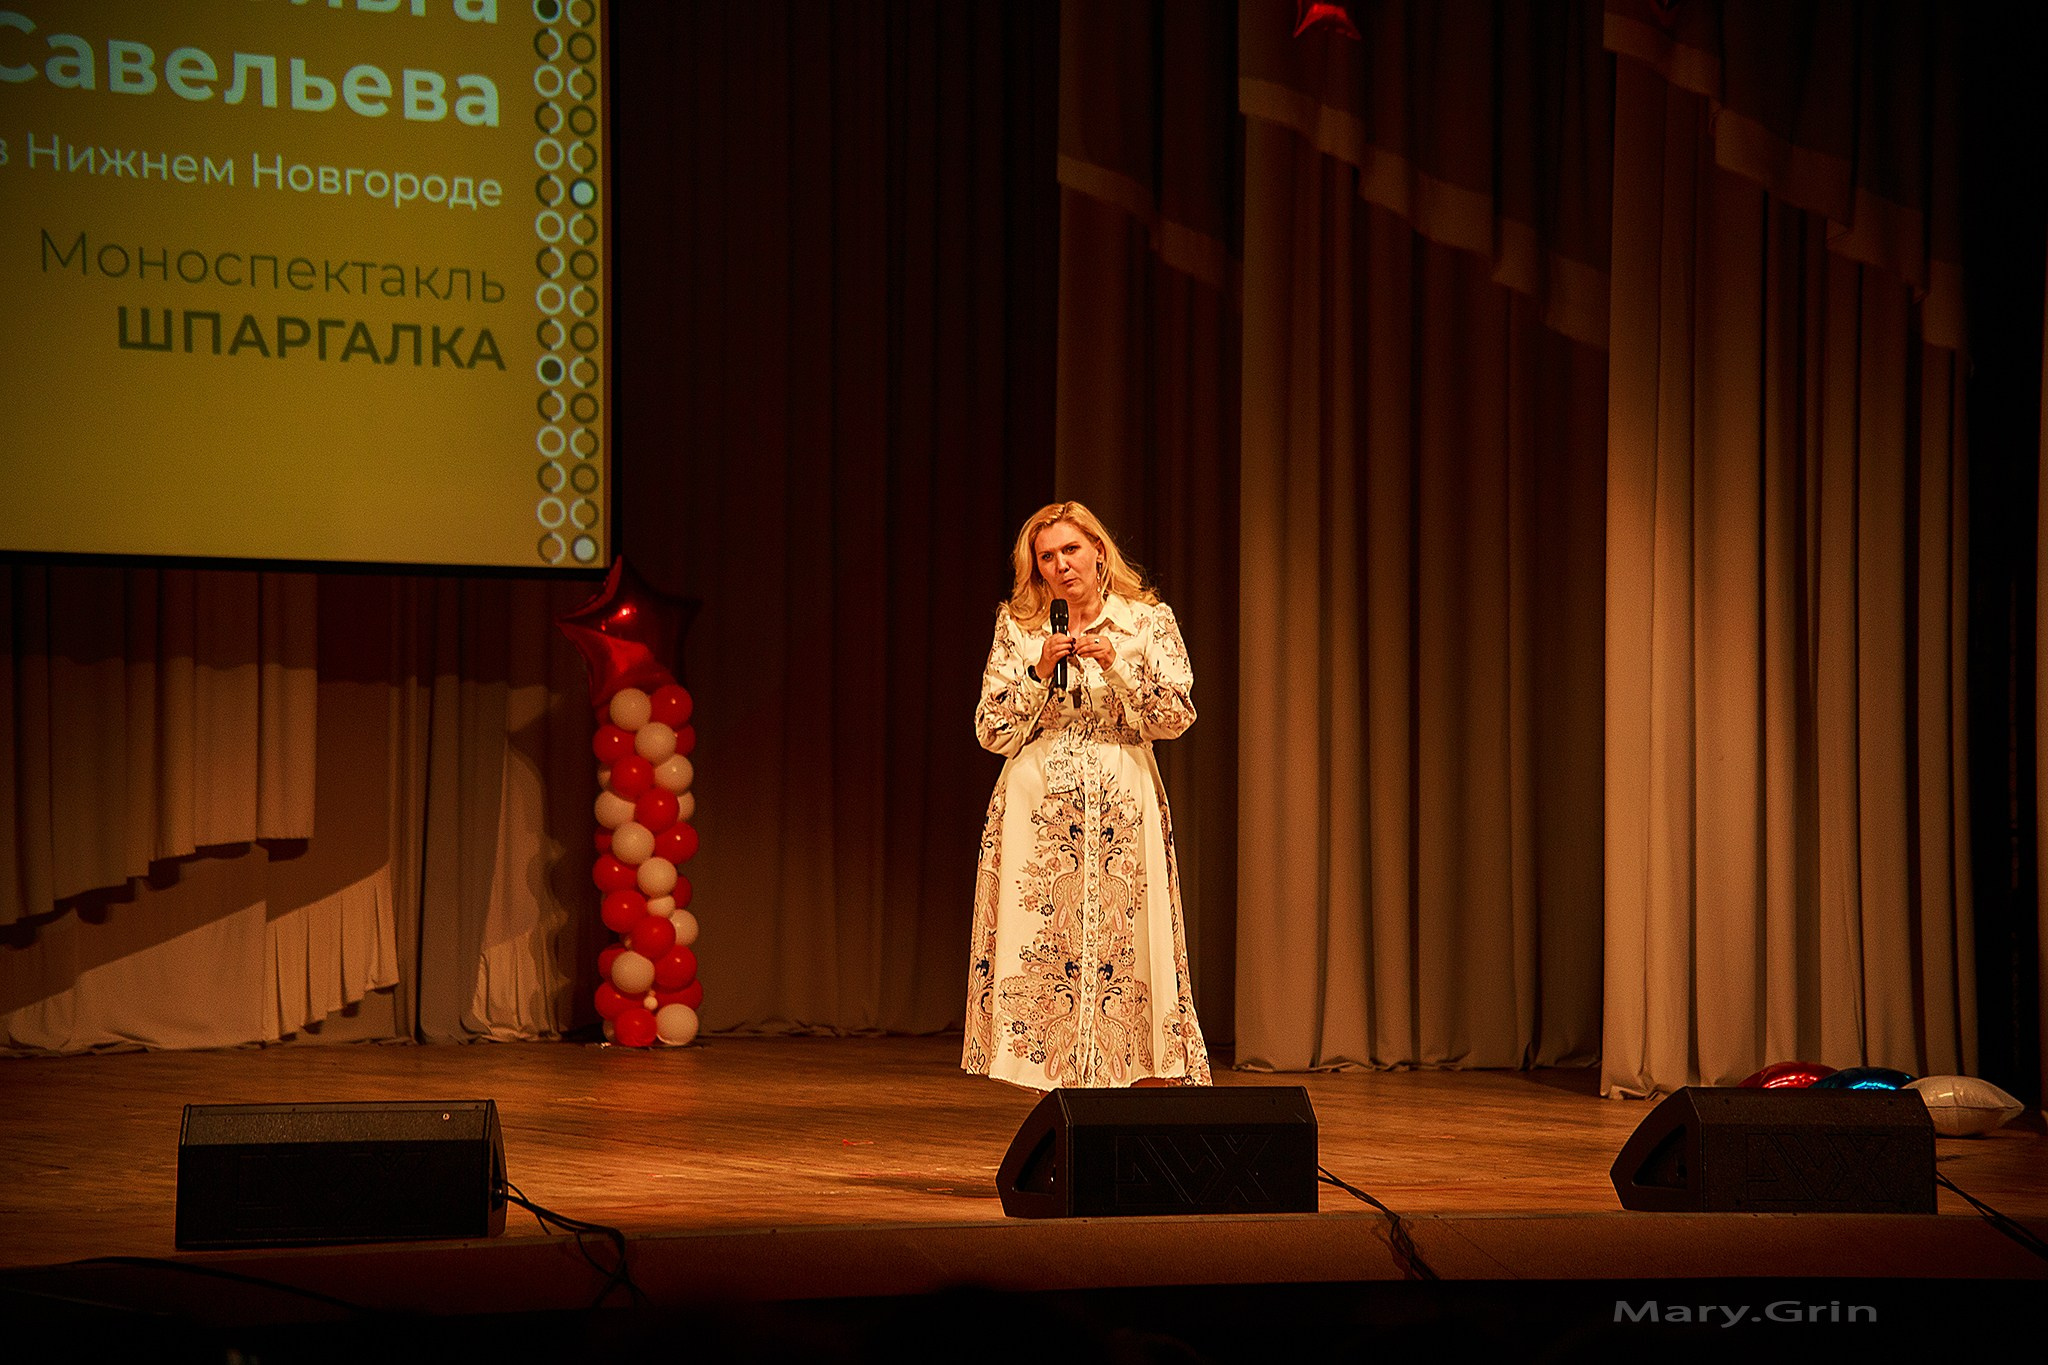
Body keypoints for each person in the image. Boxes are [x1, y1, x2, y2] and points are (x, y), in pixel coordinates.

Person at [962, 501, 1211, 1090]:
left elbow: (1176, 716)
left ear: (1099, 550)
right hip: (1039, 805)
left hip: (1123, 802)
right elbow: (990, 731)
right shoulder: (1018, 625)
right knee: (1047, 940)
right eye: (1046, 557)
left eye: (1071, 550)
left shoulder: (1146, 620)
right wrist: (1036, 674)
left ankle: (1124, 1076)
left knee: (1125, 940)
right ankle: (1055, 1084)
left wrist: (1119, 667)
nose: (1060, 566)